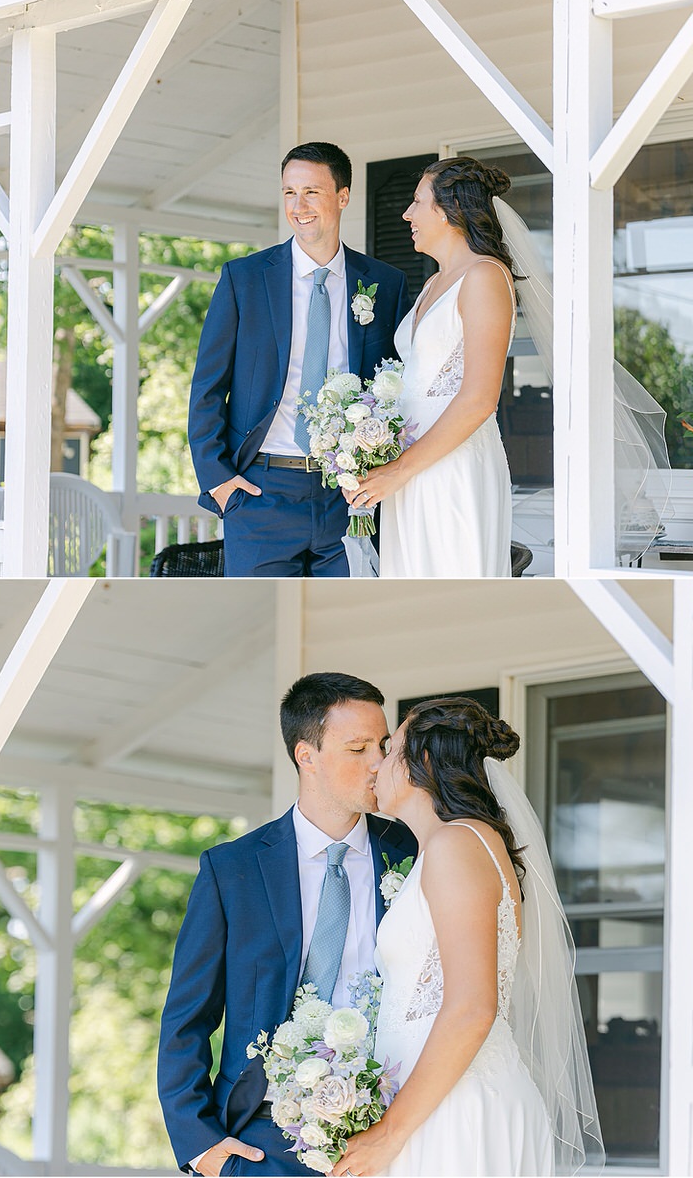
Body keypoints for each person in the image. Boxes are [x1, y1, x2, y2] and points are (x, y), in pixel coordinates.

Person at [157, 672, 417, 1177]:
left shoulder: (412, 853)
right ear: (307, 756)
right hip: (262, 1138)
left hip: (394, 1127)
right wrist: (200, 1145)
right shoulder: (231, 869)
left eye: (383, 746)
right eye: (358, 748)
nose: (378, 764)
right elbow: (187, 1016)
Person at [332, 697, 603, 1178]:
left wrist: (389, 1134)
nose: (378, 765)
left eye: (391, 750)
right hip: (431, 1102)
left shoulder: (457, 844)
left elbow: (473, 1006)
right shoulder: (452, 845)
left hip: (454, 1111)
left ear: (426, 763)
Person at [188, 142, 412, 577]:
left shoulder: (385, 283)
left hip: (348, 496)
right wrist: (218, 480)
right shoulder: (244, 279)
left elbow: (399, 386)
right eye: (290, 192)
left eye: (311, 191)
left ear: (343, 196)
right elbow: (207, 387)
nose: (299, 205)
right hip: (259, 493)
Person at [345, 158, 515, 577]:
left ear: (447, 209)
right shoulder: (435, 282)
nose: (407, 214)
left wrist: (398, 471)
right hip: (412, 466)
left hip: (453, 466)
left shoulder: (484, 276)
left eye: (417, 202)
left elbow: (479, 399)